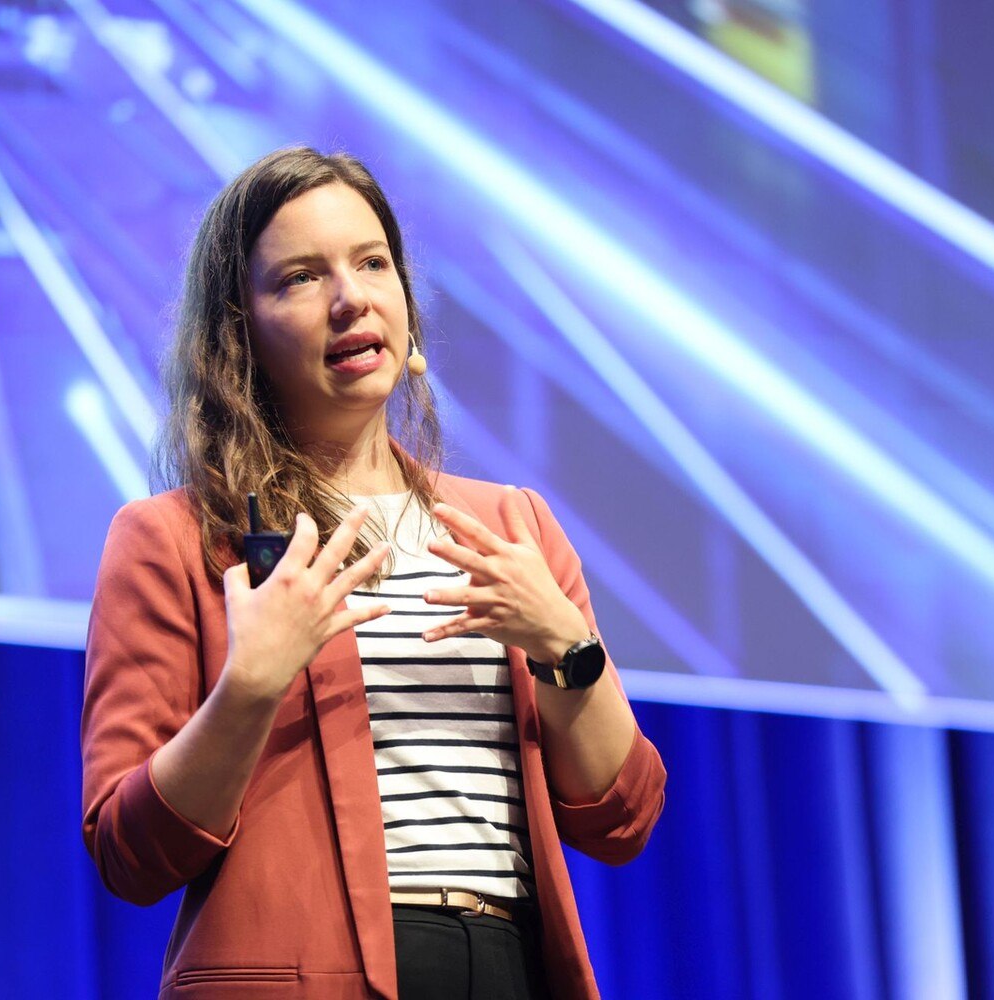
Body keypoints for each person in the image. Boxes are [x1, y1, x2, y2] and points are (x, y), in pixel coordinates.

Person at [80, 146, 666, 1000]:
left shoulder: (514, 525)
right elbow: (130, 854)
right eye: (301, 278)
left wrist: (565, 645)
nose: (351, 297)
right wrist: (248, 688)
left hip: (508, 969)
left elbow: (623, 819)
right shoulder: (175, 539)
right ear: (239, 336)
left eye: (372, 263)